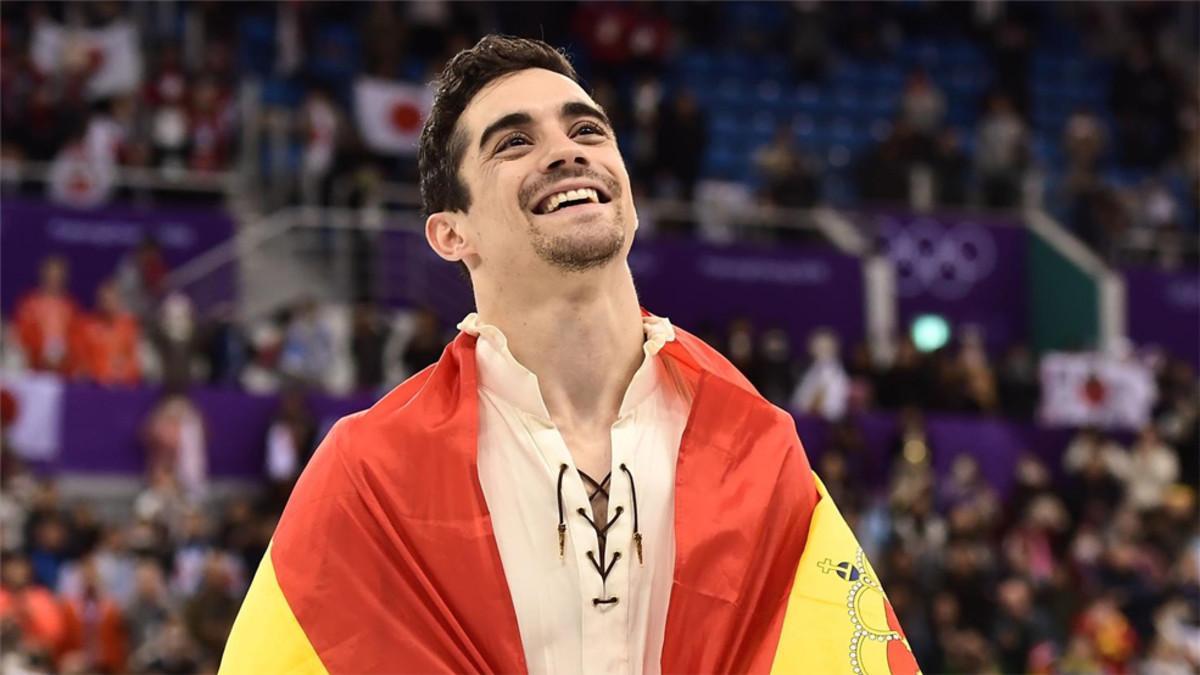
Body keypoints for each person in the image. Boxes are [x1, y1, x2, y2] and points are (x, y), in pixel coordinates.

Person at [222, 36, 918, 675]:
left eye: (586, 129)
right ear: (449, 234)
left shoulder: (758, 447)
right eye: (513, 142)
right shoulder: (369, 472)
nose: (566, 150)